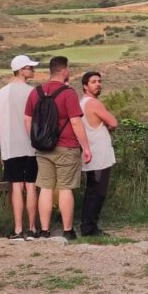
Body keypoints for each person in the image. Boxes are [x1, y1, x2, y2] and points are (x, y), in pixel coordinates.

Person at [24, 56, 93, 240]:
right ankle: (67, 230)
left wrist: (36, 139)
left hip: (43, 149)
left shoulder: (36, 92)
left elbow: (28, 119)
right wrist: (86, 147)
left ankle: (44, 230)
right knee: (65, 188)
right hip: (66, 146)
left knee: (45, 188)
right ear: (63, 70)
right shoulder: (68, 93)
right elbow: (76, 122)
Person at [0, 55, 40, 241]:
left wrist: (2, 149)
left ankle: (18, 229)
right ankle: (32, 228)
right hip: (30, 145)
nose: (33, 70)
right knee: (31, 185)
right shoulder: (33, 92)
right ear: (21, 70)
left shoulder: (1, 92)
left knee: (16, 186)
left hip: (10, 146)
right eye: (30, 67)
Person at [78, 71, 117, 237]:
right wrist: (108, 125)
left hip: (89, 150)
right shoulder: (94, 103)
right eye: (93, 82)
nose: (98, 84)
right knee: (98, 191)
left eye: (99, 81)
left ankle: (86, 225)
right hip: (99, 152)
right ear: (85, 86)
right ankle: (90, 227)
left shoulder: (81, 103)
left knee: (91, 190)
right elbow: (113, 122)